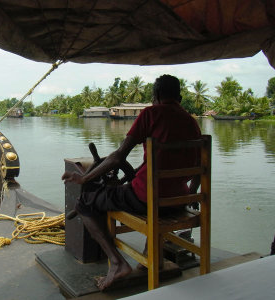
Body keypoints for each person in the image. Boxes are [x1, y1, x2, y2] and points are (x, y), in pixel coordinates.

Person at [61, 74, 201, 290]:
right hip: (179, 200)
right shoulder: (192, 122)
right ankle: (149, 260)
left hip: (148, 200)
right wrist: (192, 193)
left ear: (155, 96)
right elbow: (198, 166)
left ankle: (117, 264)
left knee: (86, 203)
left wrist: (85, 178)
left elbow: (118, 157)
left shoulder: (151, 114)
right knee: (143, 191)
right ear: (180, 98)